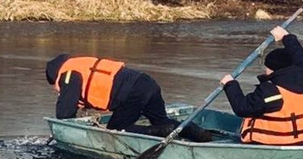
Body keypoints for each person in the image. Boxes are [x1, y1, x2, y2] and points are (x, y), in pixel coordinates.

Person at [45, 54, 212, 141]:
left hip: (132, 93)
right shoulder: (79, 64)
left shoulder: (67, 75)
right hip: (147, 83)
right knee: (162, 120)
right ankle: (198, 132)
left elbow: (64, 114)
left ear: (54, 77)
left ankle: (156, 132)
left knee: (116, 130)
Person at [219, 26, 303, 145]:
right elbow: (301, 58)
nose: (265, 71)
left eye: (266, 67)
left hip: (275, 142)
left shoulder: (271, 91)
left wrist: (230, 84)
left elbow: (242, 108)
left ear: (273, 69)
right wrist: (286, 37)